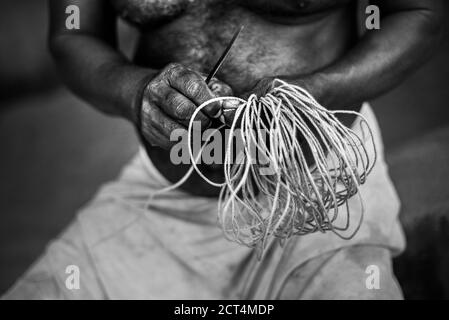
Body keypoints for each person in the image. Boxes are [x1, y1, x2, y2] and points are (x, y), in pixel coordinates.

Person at [3, 0, 444, 299]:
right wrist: (136, 92)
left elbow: (418, 11)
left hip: (321, 194)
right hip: (163, 199)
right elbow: (72, 32)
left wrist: (316, 93)